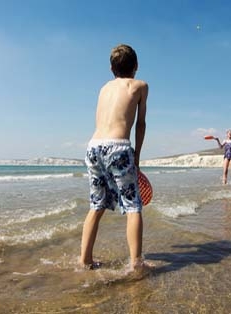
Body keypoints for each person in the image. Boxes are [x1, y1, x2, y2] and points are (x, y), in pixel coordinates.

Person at [80, 44, 150, 273]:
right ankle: (136, 263)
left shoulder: (103, 89)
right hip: (118, 147)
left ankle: (85, 260)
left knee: (96, 205)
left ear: (111, 68)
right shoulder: (139, 86)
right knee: (133, 206)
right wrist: (137, 156)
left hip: (93, 147)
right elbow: (140, 124)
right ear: (136, 66)